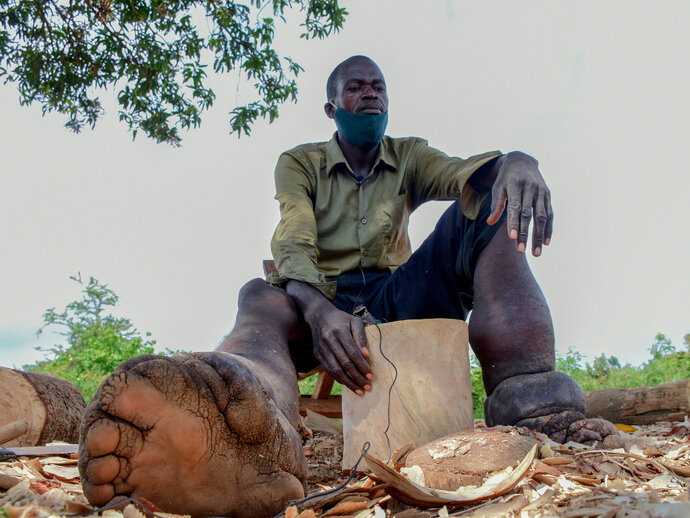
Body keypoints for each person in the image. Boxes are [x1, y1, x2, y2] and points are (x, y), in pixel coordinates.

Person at [77, 56, 620, 517]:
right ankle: (237, 427)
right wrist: (319, 313)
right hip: (317, 301)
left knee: (490, 206)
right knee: (258, 295)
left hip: (392, 299)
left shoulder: (408, 155)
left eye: (377, 86)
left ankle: (534, 400)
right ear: (332, 107)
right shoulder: (301, 163)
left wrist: (516, 162)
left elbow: (461, 174)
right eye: (355, 87)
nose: (369, 94)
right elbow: (293, 242)